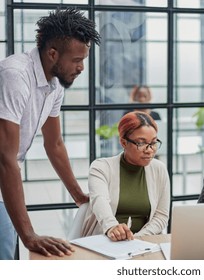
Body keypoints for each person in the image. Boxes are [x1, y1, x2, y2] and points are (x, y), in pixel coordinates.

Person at [0, 8, 100, 259]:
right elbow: (5, 158)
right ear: (52, 53)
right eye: (77, 60)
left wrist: (78, 194)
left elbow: (54, 144)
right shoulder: (15, 76)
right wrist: (29, 235)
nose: (81, 68)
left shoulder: (54, 84)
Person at [81, 111, 170, 241]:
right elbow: (100, 201)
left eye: (154, 142)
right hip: (105, 240)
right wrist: (112, 227)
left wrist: (136, 239)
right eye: (141, 143)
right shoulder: (101, 167)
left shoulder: (159, 169)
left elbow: (162, 216)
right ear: (123, 142)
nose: (150, 149)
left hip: (144, 242)